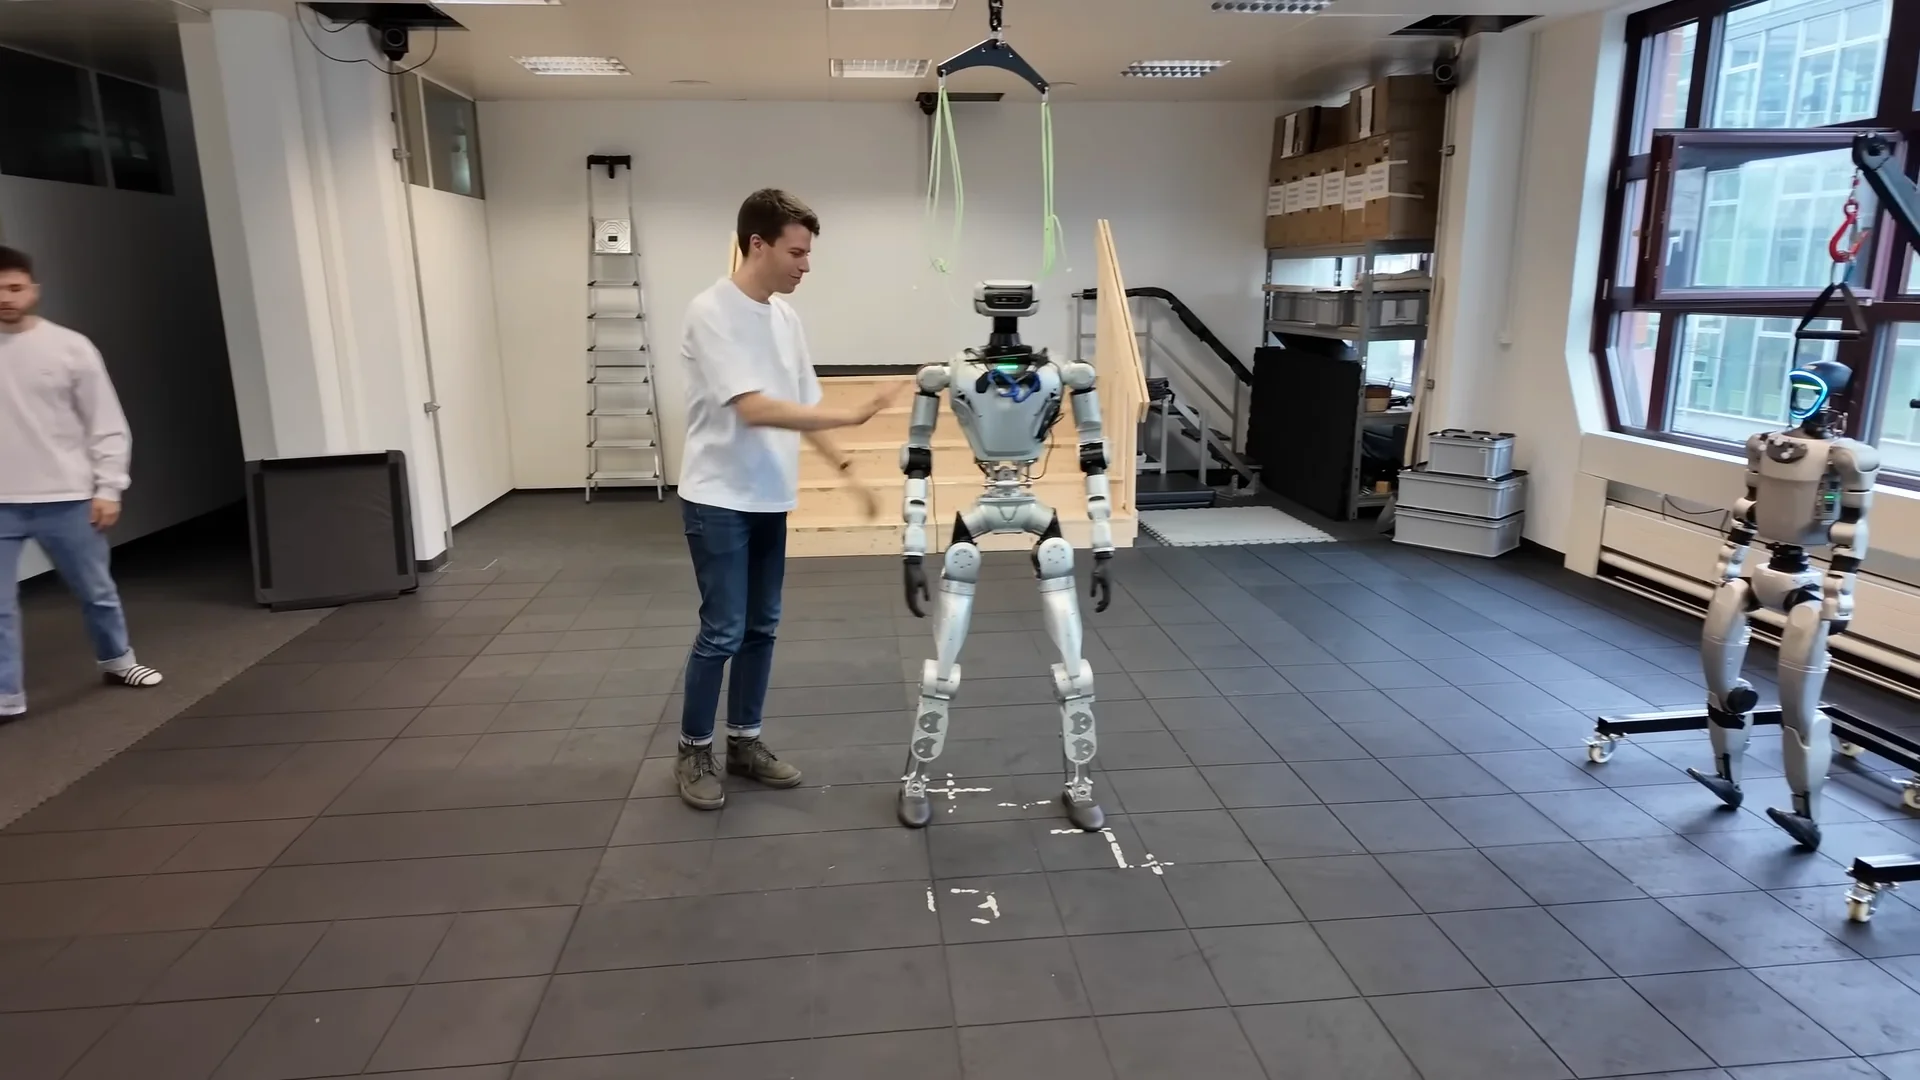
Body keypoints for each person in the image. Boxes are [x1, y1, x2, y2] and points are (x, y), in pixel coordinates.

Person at [672, 189, 904, 810]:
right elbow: (753, 408)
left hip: (769, 498)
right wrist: (854, 417)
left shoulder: (784, 319)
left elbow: (800, 404)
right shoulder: (710, 312)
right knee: (722, 630)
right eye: (797, 252)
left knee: (761, 627)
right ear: (758, 244)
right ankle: (694, 749)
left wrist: (845, 468)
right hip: (717, 498)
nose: (806, 265)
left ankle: (745, 743)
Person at [0, 245, 163, 720]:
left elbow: (105, 421)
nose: (6, 298)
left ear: (33, 290)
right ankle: (7, 693)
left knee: (95, 590)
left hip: (68, 497)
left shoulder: (70, 347)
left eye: (14, 288)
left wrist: (109, 487)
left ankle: (118, 660)